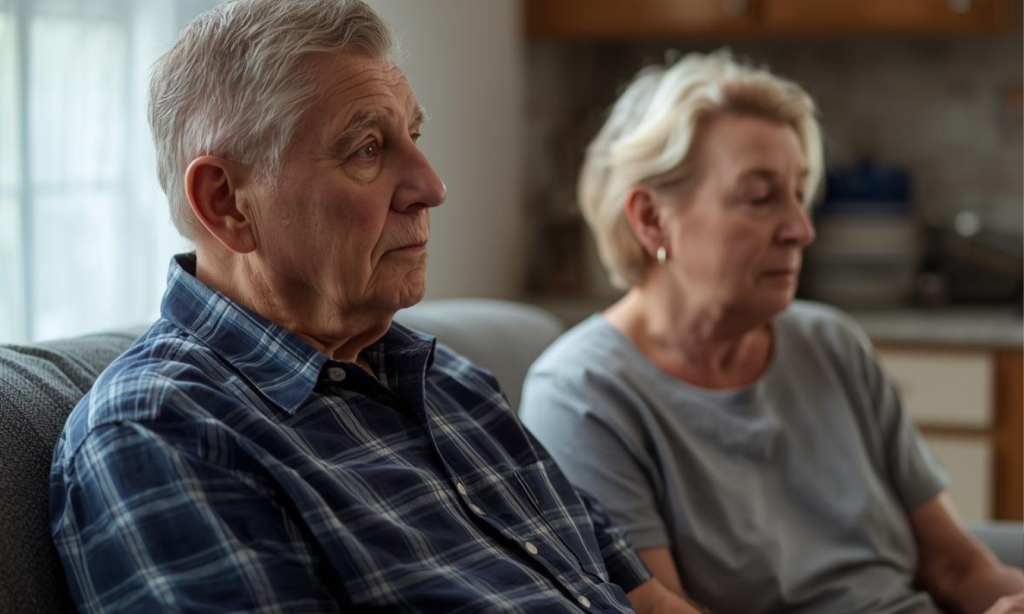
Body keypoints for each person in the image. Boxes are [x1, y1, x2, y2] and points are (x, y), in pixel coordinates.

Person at [49, 2, 702, 612]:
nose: (431, 186)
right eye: (367, 148)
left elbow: (651, 602)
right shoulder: (159, 430)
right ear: (226, 202)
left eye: (413, 136)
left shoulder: (452, 383)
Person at [519, 50, 1024, 614]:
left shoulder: (832, 344)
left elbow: (958, 567)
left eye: (800, 193)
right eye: (760, 197)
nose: (801, 229)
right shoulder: (582, 395)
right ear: (651, 217)